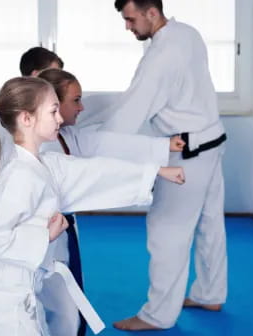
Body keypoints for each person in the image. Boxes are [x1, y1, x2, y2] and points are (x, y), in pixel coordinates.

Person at [0, 76, 185, 335]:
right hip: (2, 296)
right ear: (27, 118)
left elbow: (95, 171)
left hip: (18, 288)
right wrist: (45, 235)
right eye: (53, 111)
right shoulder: (20, 176)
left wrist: (154, 171)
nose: (60, 118)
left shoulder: (45, 164)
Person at [89, 0, 227, 331]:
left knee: (166, 230)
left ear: (152, 12)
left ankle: (157, 315)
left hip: (188, 152)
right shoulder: (187, 33)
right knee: (210, 223)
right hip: (213, 139)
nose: (127, 27)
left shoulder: (160, 57)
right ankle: (210, 293)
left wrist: (93, 151)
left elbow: (129, 115)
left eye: (131, 19)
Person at [37, 68, 185, 335]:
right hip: (39, 241)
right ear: (55, 105)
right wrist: (154, 171)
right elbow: (95, 173)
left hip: (56, 236)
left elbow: (104, 144)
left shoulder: (64, 137)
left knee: (65, 312)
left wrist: (161, 148)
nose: (82, 108)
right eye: (77, 100)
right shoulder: (45, 149)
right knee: (59, 312)